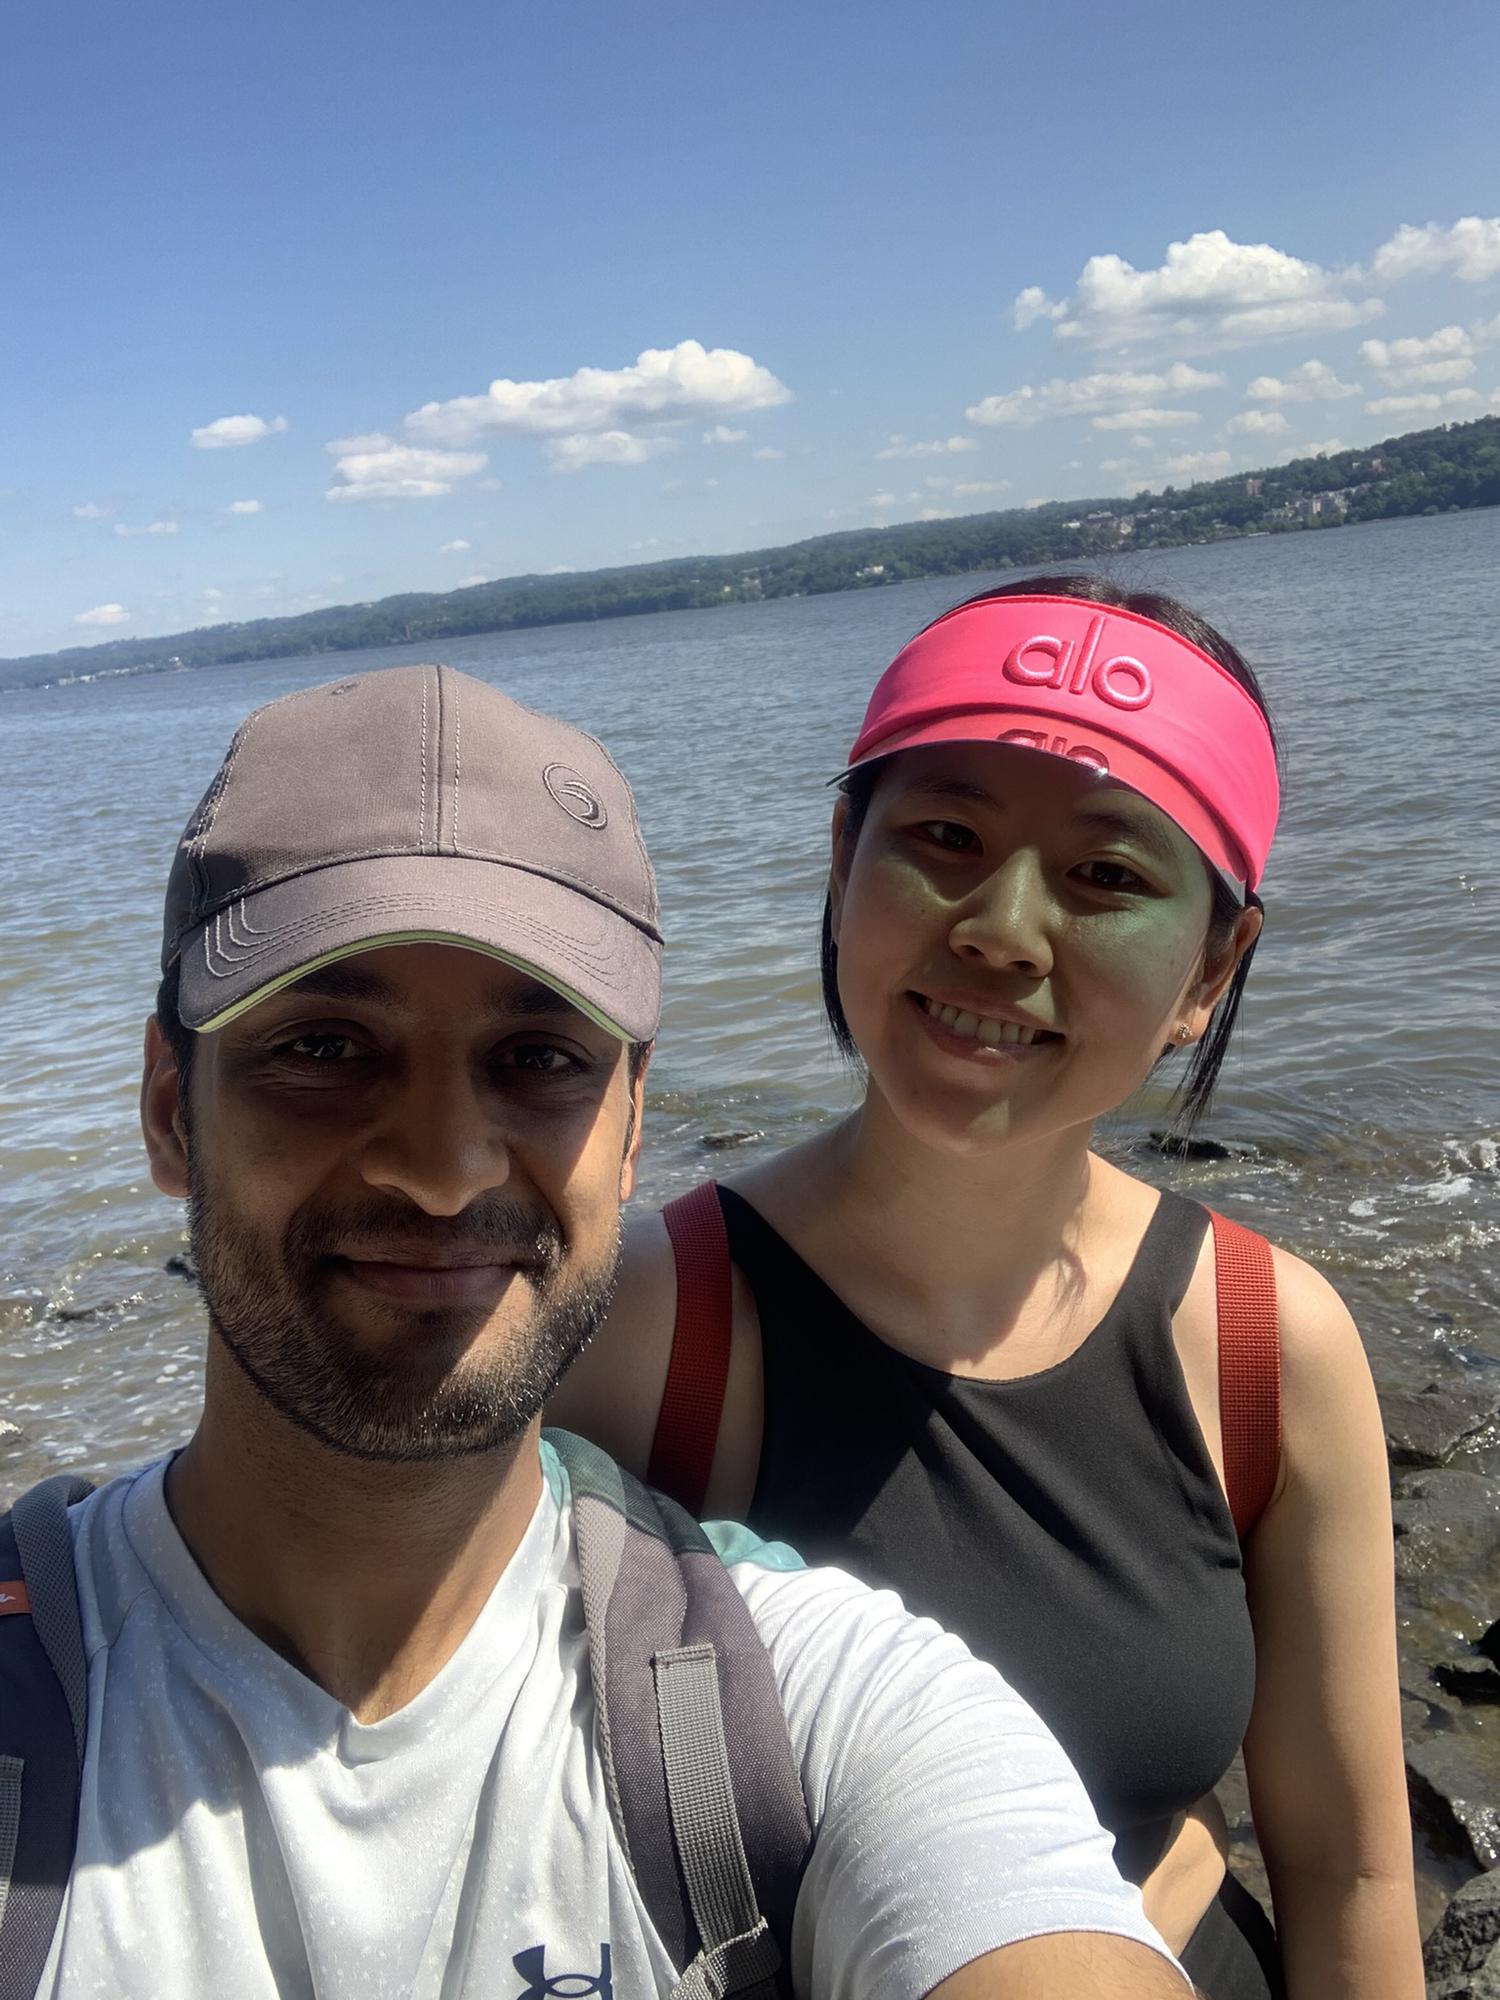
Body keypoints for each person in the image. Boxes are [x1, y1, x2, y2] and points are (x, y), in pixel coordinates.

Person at [2, 663, 1193, 2000]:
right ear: (172, 1111)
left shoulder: (810, 1706)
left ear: (630, 1132)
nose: (443, 1168)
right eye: (325, 1048)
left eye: (541, 1059)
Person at [551, 578, 1424, 2000]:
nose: (1005, 931)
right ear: (845, 857)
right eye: (947, 838)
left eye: (1107, 876)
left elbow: (1352, 1877)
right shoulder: (648, 1324)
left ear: (1212, 967)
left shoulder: (1266, 1342)